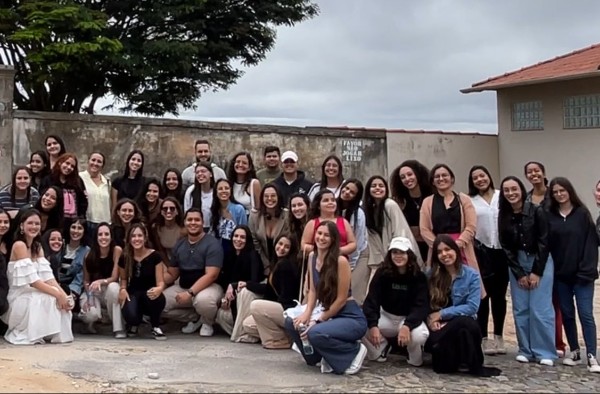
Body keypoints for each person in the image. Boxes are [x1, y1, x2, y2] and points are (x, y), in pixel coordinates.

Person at [284, 221, 368, 375]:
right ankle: (318, 356)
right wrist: (307, 314)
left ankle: (353, 351)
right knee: (291, 322)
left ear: (333, 239)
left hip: (348, 315)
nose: (321, 238)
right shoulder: (311, 256)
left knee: (315, 332)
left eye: (326, 235)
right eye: (319, 233)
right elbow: (313, 291)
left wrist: (318, 320)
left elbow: (342, 299)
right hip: (324, 310)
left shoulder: (341, 261)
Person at [498, 176, 556, 366]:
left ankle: (545, 351)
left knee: (540, 308)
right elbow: (505, 246)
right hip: (517, 261)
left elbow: (544, 241)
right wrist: (520, 274)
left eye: (514, 189)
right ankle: (525, 349)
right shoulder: (503, 214)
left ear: (521, 190)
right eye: (506, 190)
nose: (511, 193)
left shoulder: (536, 210)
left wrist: (536, 271)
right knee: (521, 308)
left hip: (540, 260)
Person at [425, 234, 501, 377]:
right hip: (438, 329)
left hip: (460, 325)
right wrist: (432, 320)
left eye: (447, 249)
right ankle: (467, 363)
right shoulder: (431, 276)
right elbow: (425, 304)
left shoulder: (471, 275)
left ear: (455, 250)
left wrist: (441, 314)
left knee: (466, 324)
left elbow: (472, 307)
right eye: (439, 252)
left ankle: (467, 362)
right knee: (465, 323)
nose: (444, 254)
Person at [546, 177, 600, 372]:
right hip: (561, 276)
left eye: (562, 190)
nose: (559, 194)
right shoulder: (550, 216)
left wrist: (587, 270)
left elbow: (591, 244)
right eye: (555, 192)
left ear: (569, 191)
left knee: (586, 314)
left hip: (583, 276)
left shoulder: (582, 214)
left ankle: (592, 355)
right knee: (567, 314)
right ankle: (575, 351)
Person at [1, 209, 73, 345]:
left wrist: (63, 295)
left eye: (37, 224)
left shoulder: (37, 246)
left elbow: (49, 278)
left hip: (34, 290)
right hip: (18, 296)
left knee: (56, 298)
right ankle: (31, 333)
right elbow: (33, 282)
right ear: (22, 226)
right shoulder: (19, 245)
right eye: (30, 223)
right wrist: (58, 295)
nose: (34, 227)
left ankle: (49, 333)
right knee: (45, 297)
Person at [362, 237, 429, 366]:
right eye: (395, 252)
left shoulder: (419, 277)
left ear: (409, 254)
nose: (398, 256)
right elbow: (372, 300)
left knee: (419, 336)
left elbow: (421, 306)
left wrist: (407, 325)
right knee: (359, 324)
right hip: (386, 316)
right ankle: (381, 347)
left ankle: (413, 353)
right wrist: (373, 324)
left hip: (407, 319)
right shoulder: (382, 273)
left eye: (402, 252)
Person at [523, 160, 565, 357]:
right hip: (537, 252)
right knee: (539, 303)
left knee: (554, 301)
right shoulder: (527, 198)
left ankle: (558, 343)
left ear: (543, 172)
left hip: (556, 251)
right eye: (530, 172)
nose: (534, 174)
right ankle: (536, 345)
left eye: (537, 170)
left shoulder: (554, 195)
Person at [162, 208, 224, 337]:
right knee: (158, 303)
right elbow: (172, 274)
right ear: (184, 222)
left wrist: (190, 293)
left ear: (203, 222)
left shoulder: (212, 243)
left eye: (197, 220)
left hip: (209, 287)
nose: (193, 223)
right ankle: (195, 317)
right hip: (183, 286)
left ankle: (207, 321)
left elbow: (211, 275)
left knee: (204, 302)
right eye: (190, 220)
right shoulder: (179, 245)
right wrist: (154, 280)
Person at [468, 165, 508, 355]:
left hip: (502, 251)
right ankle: (483, 337)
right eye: (475, 178)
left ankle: (499, 336)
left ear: (489, 176)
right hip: (482, 252)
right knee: (483, 296)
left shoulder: (502, 196)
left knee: (499, 296)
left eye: (482, 175)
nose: (480, 180)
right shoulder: (471, 201)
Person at [242, 234, 300, 349]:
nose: (282, 248)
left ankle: (280, 341)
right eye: (280, 244)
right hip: (280, 308)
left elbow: (287, 296)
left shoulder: (285, 265)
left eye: (287, 247)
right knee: (248, 324)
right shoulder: (277, 263)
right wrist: (248, 284)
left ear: (291, 250)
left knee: (256, 306)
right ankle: (286, 336)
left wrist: (268, 313)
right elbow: (268, 289)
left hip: (288, 310)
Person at [363, 175, 421, 283]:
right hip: (379, 260)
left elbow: (400, 231)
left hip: (397, 255)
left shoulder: (390, 205)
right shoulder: (369, 209)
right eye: (374, 186)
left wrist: (394, 253)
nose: (377, 188)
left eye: (381, 186)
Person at [117, 223, 167, 340]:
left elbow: (160, 281)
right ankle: (134, 324)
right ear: (129, 239)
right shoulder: (125, 257)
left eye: (139, 236)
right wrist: (123, 289)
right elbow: (123, 278)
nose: (136, 239)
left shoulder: (155, 256)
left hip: (149, 292)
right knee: (131, 315)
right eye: (133, 236)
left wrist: (159, 288)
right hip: (133, 292)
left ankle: (155, 326)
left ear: (145, 237)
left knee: (158, 298)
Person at [215, 225, 264, 342]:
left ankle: (241, 333)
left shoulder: (253, 255)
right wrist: (224, 299)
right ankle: (240, 332)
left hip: (249, 295)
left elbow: (254, 281)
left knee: (244, 293)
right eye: (236, 236)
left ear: (247, 240)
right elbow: (224, 281)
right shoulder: (228, 255)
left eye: (242, 237)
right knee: (220, 315)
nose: (238, 239)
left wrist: (234, 285)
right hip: (233, 299)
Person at [79, 222, 125, 338]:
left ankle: (118, 328)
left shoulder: (116, 250)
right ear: (96, 237)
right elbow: (86, 280)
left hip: (108, 287)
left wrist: (101, 281)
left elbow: (115, 277)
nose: (103, 237)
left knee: (114, 287)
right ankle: (89, 323)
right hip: (93, 291)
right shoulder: (88, 254)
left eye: (106, 234)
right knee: (91, 314)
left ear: (111, 236)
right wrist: (89, 296)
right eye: (100, 234)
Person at [389, 159, 433, 259]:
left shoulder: (432, 196)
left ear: (418, 174)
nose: (407, 179)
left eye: (410, 174)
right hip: (410, 249)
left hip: (431, 246)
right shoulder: (399, 201)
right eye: (403, 177)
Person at [337, 179, 369, 304]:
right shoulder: (333, 206)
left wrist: (351, 265)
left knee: (355, 293)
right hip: (339, 255)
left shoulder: (358, 214)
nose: (346, 192)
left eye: (352, 192)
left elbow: (359, 242)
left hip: (358, 255)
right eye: (346, 188)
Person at [39, 153, 88, 233]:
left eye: (72, 166)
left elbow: (83, 202)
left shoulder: (78, 182)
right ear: (60, 162)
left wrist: (80, 218)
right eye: (67, 163)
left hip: (72, 225)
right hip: (52, 224)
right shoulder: (48, 179)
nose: (69, 167)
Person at [301, 189, 357, 258]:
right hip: (318, 261)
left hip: (340, 261)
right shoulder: (312, 223)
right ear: (318, 206)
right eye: (326, 200)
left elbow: (353, 244)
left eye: (333, 200)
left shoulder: (344, 222)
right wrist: (321, 250)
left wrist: (337, 251)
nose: (330, 202)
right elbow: (304, 245)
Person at [249, 184, 290, 274]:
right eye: (266, 196)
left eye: (273, 196)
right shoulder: (254, 216)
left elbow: (289, 244)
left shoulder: (287, 216)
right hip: (261, 263)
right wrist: (266, 265)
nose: (270, 199)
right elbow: (256, 244)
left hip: (283, 264)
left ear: (278, 197)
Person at [57, 217, 90, 311]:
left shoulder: (86, 251)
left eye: (80, 228)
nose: (76, 231)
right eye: (73, 227)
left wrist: (72, 293)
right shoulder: (59, 243)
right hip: (55, 284)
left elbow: (80, 278)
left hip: (72, 288)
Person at [209, 179, 247, 254]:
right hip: (218, 250)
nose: (223, 191)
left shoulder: (239, 209)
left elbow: (244, 232)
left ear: (230, 191)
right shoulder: (214, 210)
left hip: (235, 250)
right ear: (216, 192)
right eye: (220, 189)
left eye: (226, 188)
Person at [79, 152, 111, 238]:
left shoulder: (107, 182)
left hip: (104, 224)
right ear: (88, 161)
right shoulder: (79, 178)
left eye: (99, 161)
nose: (95, 163)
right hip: (87, 222)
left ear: (102, 165)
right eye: (93, 160)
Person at [148, 197, 186, 266]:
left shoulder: (184, 229)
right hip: (165, 262)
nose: (168, 211)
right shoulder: (156, 228)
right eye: (165, 209)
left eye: (172, 208)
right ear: (161, 212)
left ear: (177, 211)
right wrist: (169, 266)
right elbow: (161, 251)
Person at [227, 151, 261, 215]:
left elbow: (259, 208)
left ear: (249, 167)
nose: (240, 165)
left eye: (244, 163)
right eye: (238, 162)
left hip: (249, 221)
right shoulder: (228, 183)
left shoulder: (254, 184)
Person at [183, 161, 214, 229]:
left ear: (211, 174)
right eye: (197, 172)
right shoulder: (191, 191)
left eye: (203, 171)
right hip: (195, 228)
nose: (200, 174)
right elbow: (187, 212)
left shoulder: (216, 191)